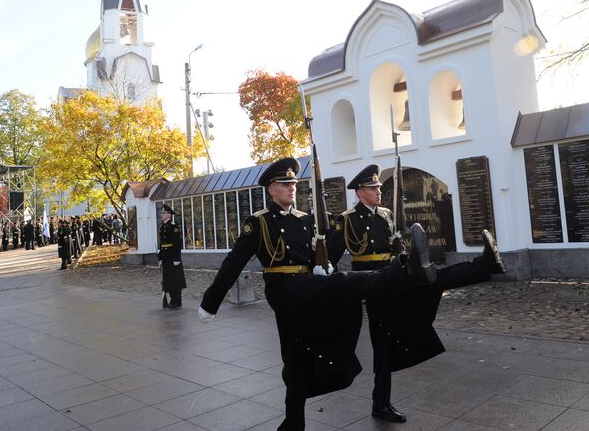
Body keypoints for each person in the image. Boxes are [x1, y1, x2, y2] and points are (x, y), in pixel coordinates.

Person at [198, 157, 462, 430]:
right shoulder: (259, 222)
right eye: (285, 184)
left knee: (298, 357)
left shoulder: (304, 220)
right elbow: (234, 261)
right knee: (343, 285)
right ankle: (406, 271)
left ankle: (293, 424)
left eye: (293, 184)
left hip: (307, 287)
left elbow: (314, 258)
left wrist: (321, 264)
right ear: (271, 189)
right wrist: (211, 302)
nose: (292, 188)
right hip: (283, 291)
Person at [327, 163, 507, 423]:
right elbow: (330, 261)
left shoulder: (387, 214)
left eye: (379, 187)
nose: (378, 191)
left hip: (394, 274)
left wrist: (404, 259)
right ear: (359, 193)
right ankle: (381, 403)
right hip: (372, 284)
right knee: (383, 346)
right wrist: (333, 290)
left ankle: (484, 265)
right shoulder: (345, 219)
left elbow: (395, 246)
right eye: (372, 188)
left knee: (433, 279)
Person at [158, 204, 186, 308]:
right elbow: (161, 244)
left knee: (175, 280)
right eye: (161, 213)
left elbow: (177, 244)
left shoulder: (173, 227)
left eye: (164, 213)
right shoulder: (162, 227)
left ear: (169, 215)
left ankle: (176, 301)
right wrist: (160, 257)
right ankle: (171, 300)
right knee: (167, 280)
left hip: (172, 256)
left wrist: (177, 258)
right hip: (165, 256)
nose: (162, 214)